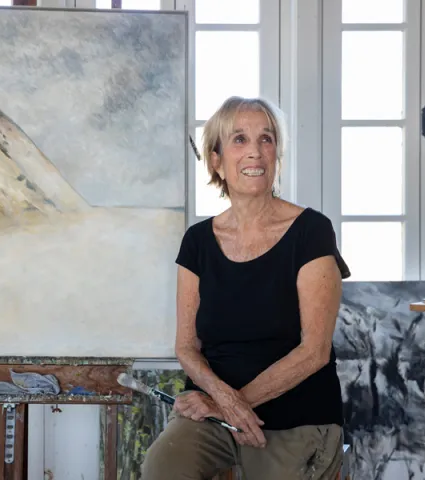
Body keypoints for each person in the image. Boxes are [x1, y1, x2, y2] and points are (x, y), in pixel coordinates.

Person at [141, 96, 351, 480]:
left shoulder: (312, 231)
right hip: (213, 413)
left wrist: (232, 405)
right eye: (239, 139)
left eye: (266, 139)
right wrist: (221, 401)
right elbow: (186, 347)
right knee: (161, 467)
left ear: (276, 155)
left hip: (296, 415)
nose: (255, 151)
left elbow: (314, 352)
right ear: (217, 160)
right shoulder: (198, 241)